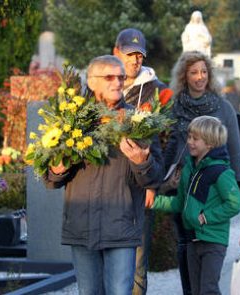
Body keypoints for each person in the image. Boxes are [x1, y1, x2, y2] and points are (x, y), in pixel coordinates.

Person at [44, 55, 163, 294]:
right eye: (109, 77)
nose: (117, 82)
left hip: (122, 226)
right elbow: (51, 179)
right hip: (81, 225)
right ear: (92, 81)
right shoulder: (71, 120)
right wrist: (57, 169)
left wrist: (143, 161)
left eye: (121, 77)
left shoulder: (138, 121)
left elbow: (155, 177)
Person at [163, 50, 240, 294]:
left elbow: (235, 150)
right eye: (193, 72)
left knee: (208, 243)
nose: (199, 77)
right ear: (184, 76)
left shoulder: (222, 107)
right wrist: (161, 180)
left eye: (203, 71)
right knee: (185, 242)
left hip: (213, 187)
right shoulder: (174, 107)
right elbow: (167, 146)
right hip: (182, 183)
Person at [149, 115, 240, 295]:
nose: (189, 142)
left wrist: (206, 217)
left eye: (195, 138)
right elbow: (179, 203)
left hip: (213, 242)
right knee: (195, 290)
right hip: (192, 239)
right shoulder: (189, 170)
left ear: (209, 143)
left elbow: (235, 203)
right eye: (189, 137)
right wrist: (155, 201)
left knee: (208, 290)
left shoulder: (221, 172)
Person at [113, 27, 167, 294]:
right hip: (109, 187)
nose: (135, 60)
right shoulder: (104, 87)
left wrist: (153, 184)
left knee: (137, 265)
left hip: (140, 184)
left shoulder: (157, 92)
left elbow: (167, 141)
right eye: (129, 54)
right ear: (116, 53)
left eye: (140, 55)